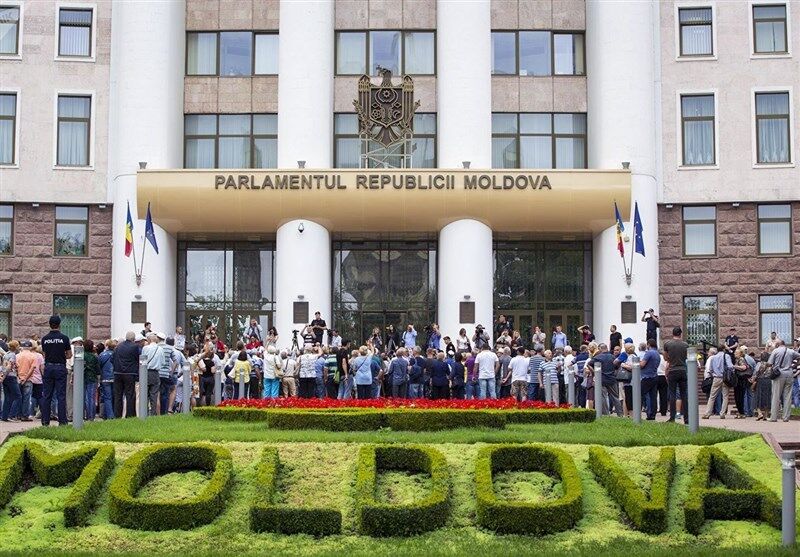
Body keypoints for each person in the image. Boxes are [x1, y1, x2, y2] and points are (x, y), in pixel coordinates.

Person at [40, 316, 72, 426]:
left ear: (49, 324)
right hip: (60, 367)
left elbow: (44, 354)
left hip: (48, 367)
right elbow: (69, 354)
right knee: (61, 396)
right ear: (59, 324)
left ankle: (45, 421)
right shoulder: (64, 338)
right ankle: (62, 421)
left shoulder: (44, 339)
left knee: (47, 395)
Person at [586, 343, 622, 416]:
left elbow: (589, 364)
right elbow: (618, 365)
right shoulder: (613, 357)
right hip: (612, 379)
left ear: (599, 349)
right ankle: (620, 414)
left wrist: (595, 372)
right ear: (607, 348)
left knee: (603, 397)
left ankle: (606, 414)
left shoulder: (598, 357)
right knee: (615, 397)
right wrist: (615, 372)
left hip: (601, 379)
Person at [767, 340, 798, 422]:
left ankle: (773, 417)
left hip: (779, 374)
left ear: (777, 344)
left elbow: (769, 363)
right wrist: (794, 365)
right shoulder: (791, 351)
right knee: (788, 396)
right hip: (789, 373)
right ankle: (786, 417)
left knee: (776, 396)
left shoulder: (775, 351)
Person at [663, 327, 689, 424]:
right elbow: (687, 356)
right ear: (680, 334)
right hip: (683, 370)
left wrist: (670, 361)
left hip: (673, 370)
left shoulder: (668, 344)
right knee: (684, 395)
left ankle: (672, 417)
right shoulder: (685, 345)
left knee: (672, 394)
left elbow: (665, 357)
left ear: (672, 333)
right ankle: (687, 418)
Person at [112, 331, 141, 418]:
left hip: (117, 373)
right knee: (130, 395)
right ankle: (130, 415)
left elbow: (112, 359)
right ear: (133, 339)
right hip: (130, 373)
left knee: (118, 395)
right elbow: (139, 358)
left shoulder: (118, 347)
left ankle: (117, 415)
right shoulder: (135, 347)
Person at [703, 344, 732, 419]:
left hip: (716, 378)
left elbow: (710, 369)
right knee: (725, 396)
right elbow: (730, 366)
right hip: (725, 378)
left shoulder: (713, 358)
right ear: (724, 349)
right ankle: (722, 413)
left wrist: (714, 374)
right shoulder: (726, 356)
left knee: (712, 396)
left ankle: (707, 413)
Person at [15, 340, 39, 421]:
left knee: (19, 397)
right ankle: (25, 415)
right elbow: (32, 368)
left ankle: (18, 414)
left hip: (18, 379)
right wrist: (25, 378)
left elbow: (15, 367)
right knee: (26, 398)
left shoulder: (17, 355)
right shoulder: (33, 356)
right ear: (30, 347)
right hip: (28, 379)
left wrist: (19, 377)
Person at [141, 333, 163, 416]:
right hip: (155, 372)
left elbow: (142, 360)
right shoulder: (160, 349)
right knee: (154, 394)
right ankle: (153, 413)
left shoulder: (145, 348)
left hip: (146, 372)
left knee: (145, 393)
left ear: (149, 340)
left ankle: (144, 412)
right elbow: (163, 362)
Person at [639, 338, 660, 420]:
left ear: (648, 345)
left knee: (642, 395)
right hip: (654, 376)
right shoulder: (657, 353)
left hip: (646, 377)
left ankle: (646, 413)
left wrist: (637, 362)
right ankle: (652, 414)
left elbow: (642, 364)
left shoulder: (649, 353)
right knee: (653, 396)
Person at [1, 340, 21, 422]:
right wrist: (5, 374)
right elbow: (9, 366)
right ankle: (12, 415)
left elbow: (3, 365)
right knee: (18, 396)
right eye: (18, 345)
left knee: (7, 397)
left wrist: (3, 376)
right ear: (15, 347)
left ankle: (4, 416)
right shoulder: (13, 355)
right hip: (11, 377)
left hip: (6, 378)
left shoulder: (6, 354)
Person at [82, 339, 99, 421]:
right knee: (91, 398)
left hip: (82, 378)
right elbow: (98, 370)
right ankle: (91, 416)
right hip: (92, 378)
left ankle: (82, 415)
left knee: (82, 397)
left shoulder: (81, 355)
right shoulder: (94, 357)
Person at [97, 340, 115, 419]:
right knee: (114, 396)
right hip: (114, 378)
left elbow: (99, 366)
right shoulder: (116, 354)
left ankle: (109, 415)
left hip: (105, 378)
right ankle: (114, 413)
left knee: (107, 397)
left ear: (106, 345)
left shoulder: (102, 355)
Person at [752, 352, 772, 421]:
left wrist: (752, 380)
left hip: (760, 381)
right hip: (769, 381)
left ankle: (759, 413)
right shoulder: (770, 365)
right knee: (767, 397)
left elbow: (756, 373)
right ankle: (765, 415)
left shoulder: (759, 364)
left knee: (758, 397)